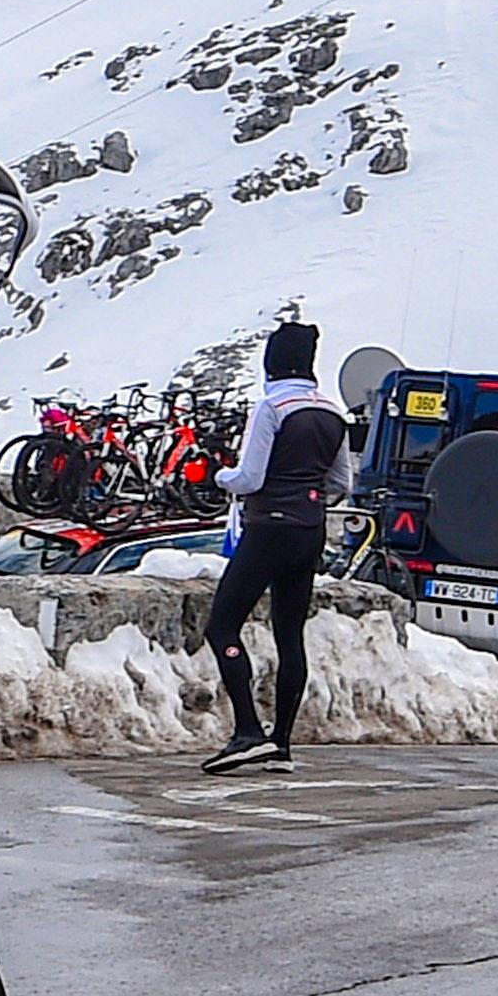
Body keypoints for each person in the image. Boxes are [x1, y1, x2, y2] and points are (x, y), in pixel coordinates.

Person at [200, 321, 347, 771]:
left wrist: (219, 476)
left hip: (268, 528)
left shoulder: (272, 407)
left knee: (223, 628)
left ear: (272, 363)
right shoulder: (334, 413)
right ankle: (280, 744)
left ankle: (247, 730)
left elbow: (251, 478)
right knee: (290, 634)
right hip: (309, 529)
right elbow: (341, 483)